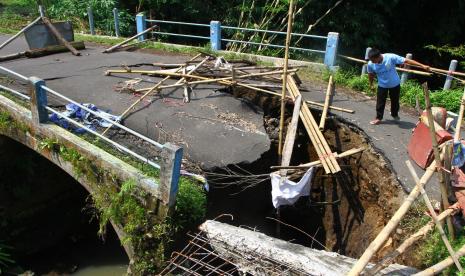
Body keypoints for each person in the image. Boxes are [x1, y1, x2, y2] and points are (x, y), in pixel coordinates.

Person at [367, 48, 430, 125]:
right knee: (380, 102)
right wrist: (371, 84)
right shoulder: (370, 64)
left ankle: (394, 113)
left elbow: (407, 61)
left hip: (395, 84)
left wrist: (422, 65)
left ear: (378, 56)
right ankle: (378, 118)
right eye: (371, 60)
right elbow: (370, 74)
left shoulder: (390, 57)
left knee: (395, 101)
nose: (372, 62)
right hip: (382, 85)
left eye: (373, 60)